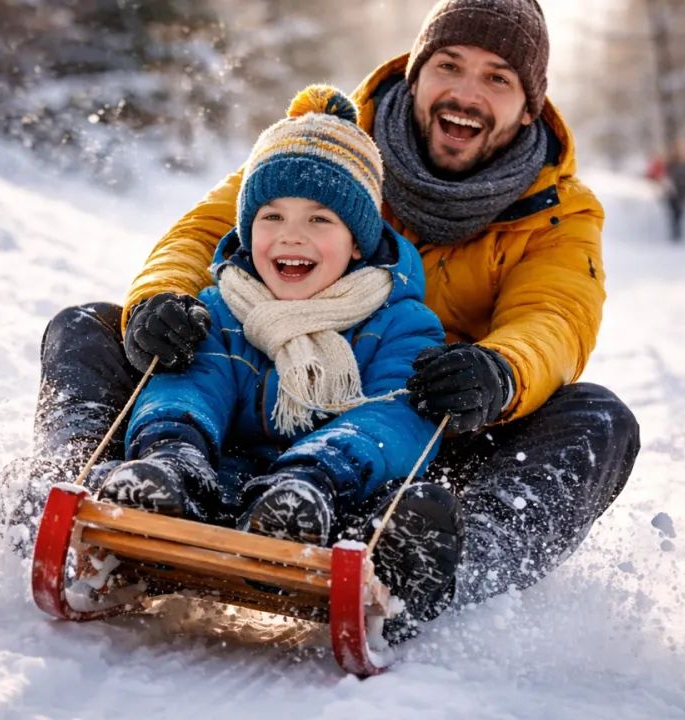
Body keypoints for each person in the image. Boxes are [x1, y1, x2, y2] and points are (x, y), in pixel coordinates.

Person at [0, 0, 641, 642]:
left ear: (530, 105)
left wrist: (499, 373)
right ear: (416, 72)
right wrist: (161, 303)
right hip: (252, 389)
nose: (467, 93)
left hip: (420, 421)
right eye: (450, 65)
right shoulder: (324, 149)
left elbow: (555, 316)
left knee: (600, 420)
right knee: (88, 325)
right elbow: (208, 230)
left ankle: (434, 558)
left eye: (498, 78)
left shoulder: (559, 211)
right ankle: (73, 488)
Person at [96, 85, 449, 559]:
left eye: (320, 220)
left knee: (404, 491)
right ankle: (160, 486)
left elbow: (394, 412)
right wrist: (173, 447)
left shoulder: (402, 324)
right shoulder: (222, 307)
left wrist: (319, 471)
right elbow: (194, 384)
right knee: (152, 371)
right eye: (272, 216)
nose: (292, 236)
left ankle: (380, 555)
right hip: (212, 481)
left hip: (330, 494)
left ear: (359, 243)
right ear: (246, 230)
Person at [647, 142, 685, 242]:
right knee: (674, 212)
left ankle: (678, 231)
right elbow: (660, 175)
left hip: (683, 191)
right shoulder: (669, 164)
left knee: (679, 212)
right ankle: (675, 231)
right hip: (672, 192)